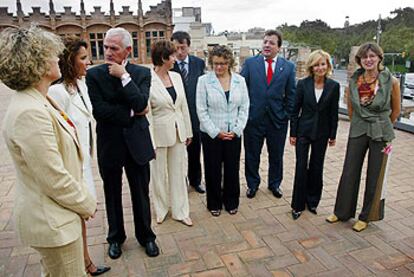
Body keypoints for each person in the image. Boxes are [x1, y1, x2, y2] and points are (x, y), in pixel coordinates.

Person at [0, 26, 96, 276]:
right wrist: (86, 202)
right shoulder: (29, 111)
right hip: (53, 223)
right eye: (52, 54)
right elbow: (52, 177)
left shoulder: (39, 99)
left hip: (59, 216)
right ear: (38, 63)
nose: (58, 58)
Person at [86, 27, 159, 259]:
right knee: (112, 193)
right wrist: (130, 112)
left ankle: (146, 236)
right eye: (106, 47)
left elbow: (141, 104)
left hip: (137, 144)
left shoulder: (141, 73)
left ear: (127, 50)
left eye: (113, 48)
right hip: (110, 144)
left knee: (141, 193)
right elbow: (100, 111)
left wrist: (124, 77)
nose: (107, 52)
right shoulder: (94, 75)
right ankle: (115, 238)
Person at [48, 36, 111, 276]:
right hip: (71, 166)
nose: (88, 62)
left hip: (85, 162)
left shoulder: (81, 85)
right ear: (69, 60)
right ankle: (82, 264)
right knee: (76, 216)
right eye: (83, 58)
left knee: (82, 217)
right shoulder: (57, 92)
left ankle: (85, 261)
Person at [326, 42, 401, 232]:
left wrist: (383, 125)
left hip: (380, 131)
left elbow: (396, 110)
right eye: (364, 57)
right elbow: (351, 109)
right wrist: (359, 122)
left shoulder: (391, 81)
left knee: (375, 174)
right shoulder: (354, 80)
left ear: (379, 58)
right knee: (350, 170)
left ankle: (366, 216)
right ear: (359, 60)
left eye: (372, 56)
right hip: (358, 128)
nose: (368, 60)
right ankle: (342, 212)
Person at [241, 30, 296, 199]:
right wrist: (245, 114)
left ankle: (274, 184)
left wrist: (285, 114)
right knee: (252, 155)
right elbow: (242, 90)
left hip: (277, 121)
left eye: (271, 43)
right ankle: (252, 184)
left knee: (276, 155)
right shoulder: (250, 64)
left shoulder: (288, 67)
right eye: (265, 42)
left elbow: (291, 95)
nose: (267, 45)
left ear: (279, 47)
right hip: (253, 120)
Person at [196, 45, 249, 216]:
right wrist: (215, 131)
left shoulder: (240, 81)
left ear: (230, 63)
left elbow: (244, 107)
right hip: (212, 134)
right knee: (212, 169)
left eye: (223, 63)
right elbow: (201, 110)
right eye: (216, 63)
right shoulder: (203, 81)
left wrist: (237, 129)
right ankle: (214, 203)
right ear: (211, 62)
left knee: (232, 169)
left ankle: (231, 201)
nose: (219, 67)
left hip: (233, 133)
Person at [289, 50, 340, 220]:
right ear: (312, 66)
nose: (320, 68)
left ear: (328, 65)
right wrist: (293, 133)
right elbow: (295, 110)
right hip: (303, 131)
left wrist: (333, 134)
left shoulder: (334, 86)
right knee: (301, 167)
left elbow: (334, 113)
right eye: (317, 64)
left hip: (322, 133)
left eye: (323, 64)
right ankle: (297, 205)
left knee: (317, 167)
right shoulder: (303, 84)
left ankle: (312, 202)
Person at [148, 40, 193, 226]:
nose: (176, 58)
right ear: (163, 58)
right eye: (172, 56)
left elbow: (183, 106)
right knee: (158, 175)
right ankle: (161, 209)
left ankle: (181, 211)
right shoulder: (147, 79)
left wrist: (188, 131)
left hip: (178, 132)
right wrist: (149, 139)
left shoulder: (176, 77)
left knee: (179, 172)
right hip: (158, 134)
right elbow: (148, 113)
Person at [171, 31, 206, 194]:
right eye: (176, 48)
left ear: (188, 47)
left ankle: (196, 181)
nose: (179, 52)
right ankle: (179, 183)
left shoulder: (199, 63)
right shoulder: (169, 65)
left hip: (195, 116)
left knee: (194, 153)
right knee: (177, 154)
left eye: (182, 48)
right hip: (176, 117)